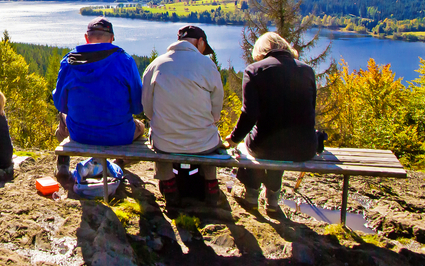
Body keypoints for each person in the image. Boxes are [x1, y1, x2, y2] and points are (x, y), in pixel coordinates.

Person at [223, 32, 317, 213]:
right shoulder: (307, 70)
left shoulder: (254, 70)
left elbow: (249, 114)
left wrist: (234, 138)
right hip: (304, 148)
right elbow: (310, 110)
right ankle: (272, 200)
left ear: (261, 51)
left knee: (255, 142)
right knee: (280, 138)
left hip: (266, 147)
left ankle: (251, 195)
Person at [52, 17, 145, 177]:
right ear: (112, 39)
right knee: (141, 127)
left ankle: (63, 163)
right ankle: (118, 163)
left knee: (63, 116)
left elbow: (60, 103)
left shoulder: (69, 62)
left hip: (80, 133)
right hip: (120, 134)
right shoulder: (125, 61)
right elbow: (138, 106)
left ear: (86, 38)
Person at [143, 25, 224, 207]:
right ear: (200, 42)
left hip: (166, 142)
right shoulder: (207, 65)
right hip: (202, 143)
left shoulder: (156, 65)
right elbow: (216, 111)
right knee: (211, 138)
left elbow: (148, 110)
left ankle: (170, 188)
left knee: (158, 139)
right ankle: (211, 185)